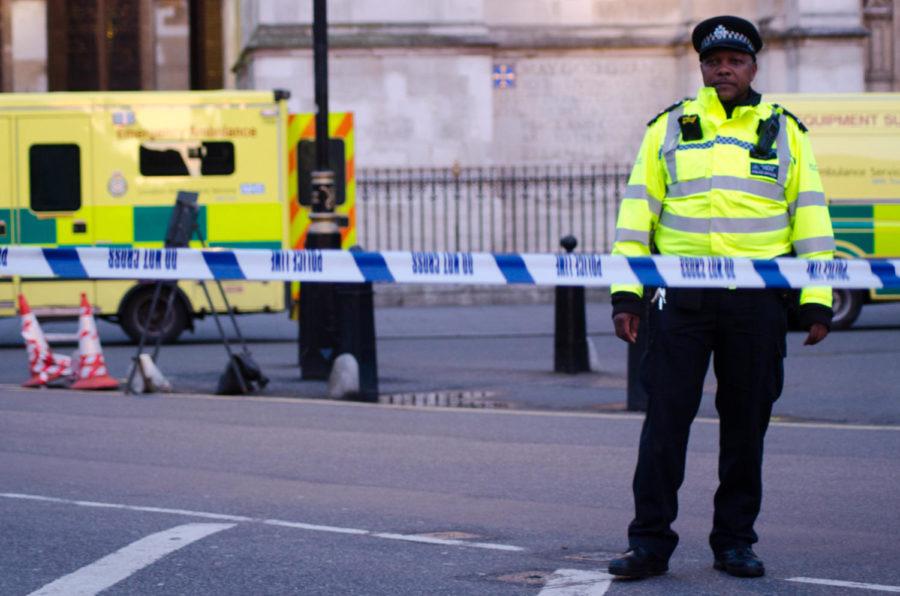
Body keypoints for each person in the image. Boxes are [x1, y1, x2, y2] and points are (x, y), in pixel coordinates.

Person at [607, 15, 835, 580]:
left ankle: (734, 542)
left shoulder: (785, 131)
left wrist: (816, 299)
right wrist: (626, 294)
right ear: (702, 68)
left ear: (754, 67)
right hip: (678, 297)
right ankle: (649, 544)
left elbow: (810, 216)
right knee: (664, 423)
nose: (723, 69)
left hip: (756, 302)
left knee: (745, 427)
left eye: (734, 61)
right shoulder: (667, 127)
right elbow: (637, 214)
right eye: (713, 61)